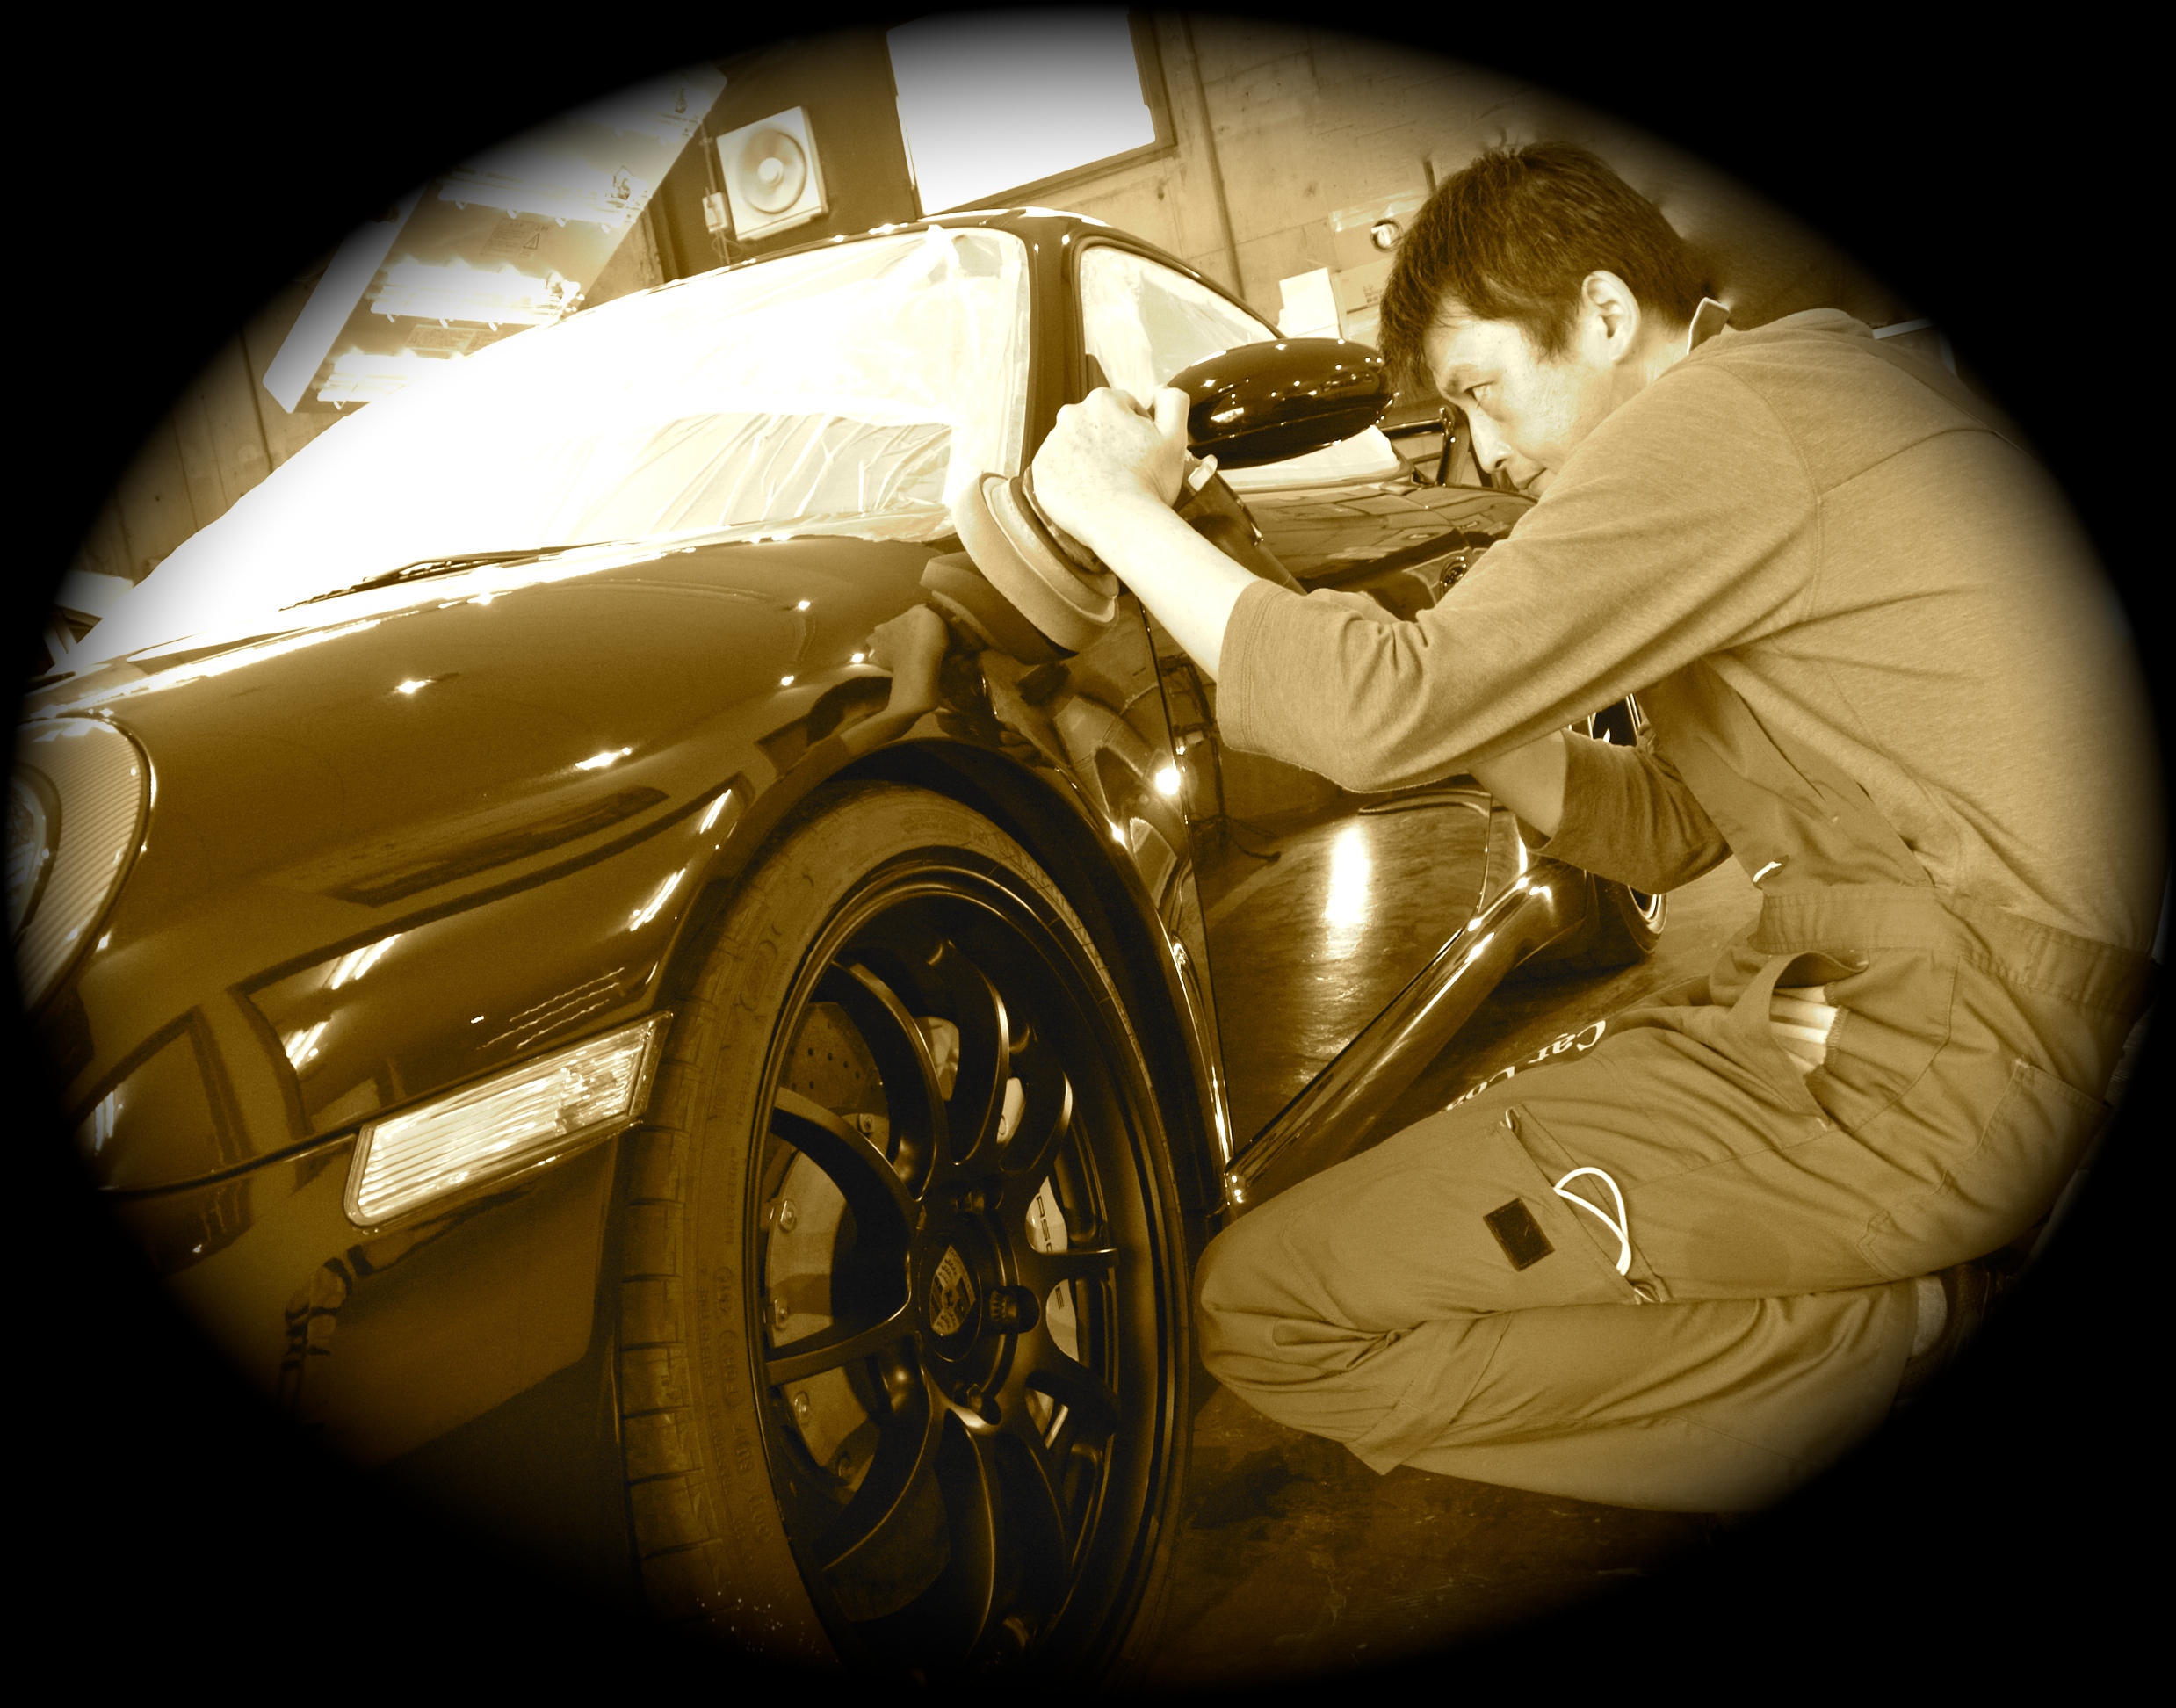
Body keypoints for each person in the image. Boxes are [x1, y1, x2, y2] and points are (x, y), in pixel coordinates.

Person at [1023, 141, 2163, 1511]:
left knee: (1267, 1311)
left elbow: (1370, 716)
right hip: (1919, 1009)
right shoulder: (1803, 394)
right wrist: (1463, 701)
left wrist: (1105, 503)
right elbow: (1682, 835)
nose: (1487, 455)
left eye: (1481, 389)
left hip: (1944, 1048)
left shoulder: (1725, 422)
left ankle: (1900, 1340)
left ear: (1607, 316)